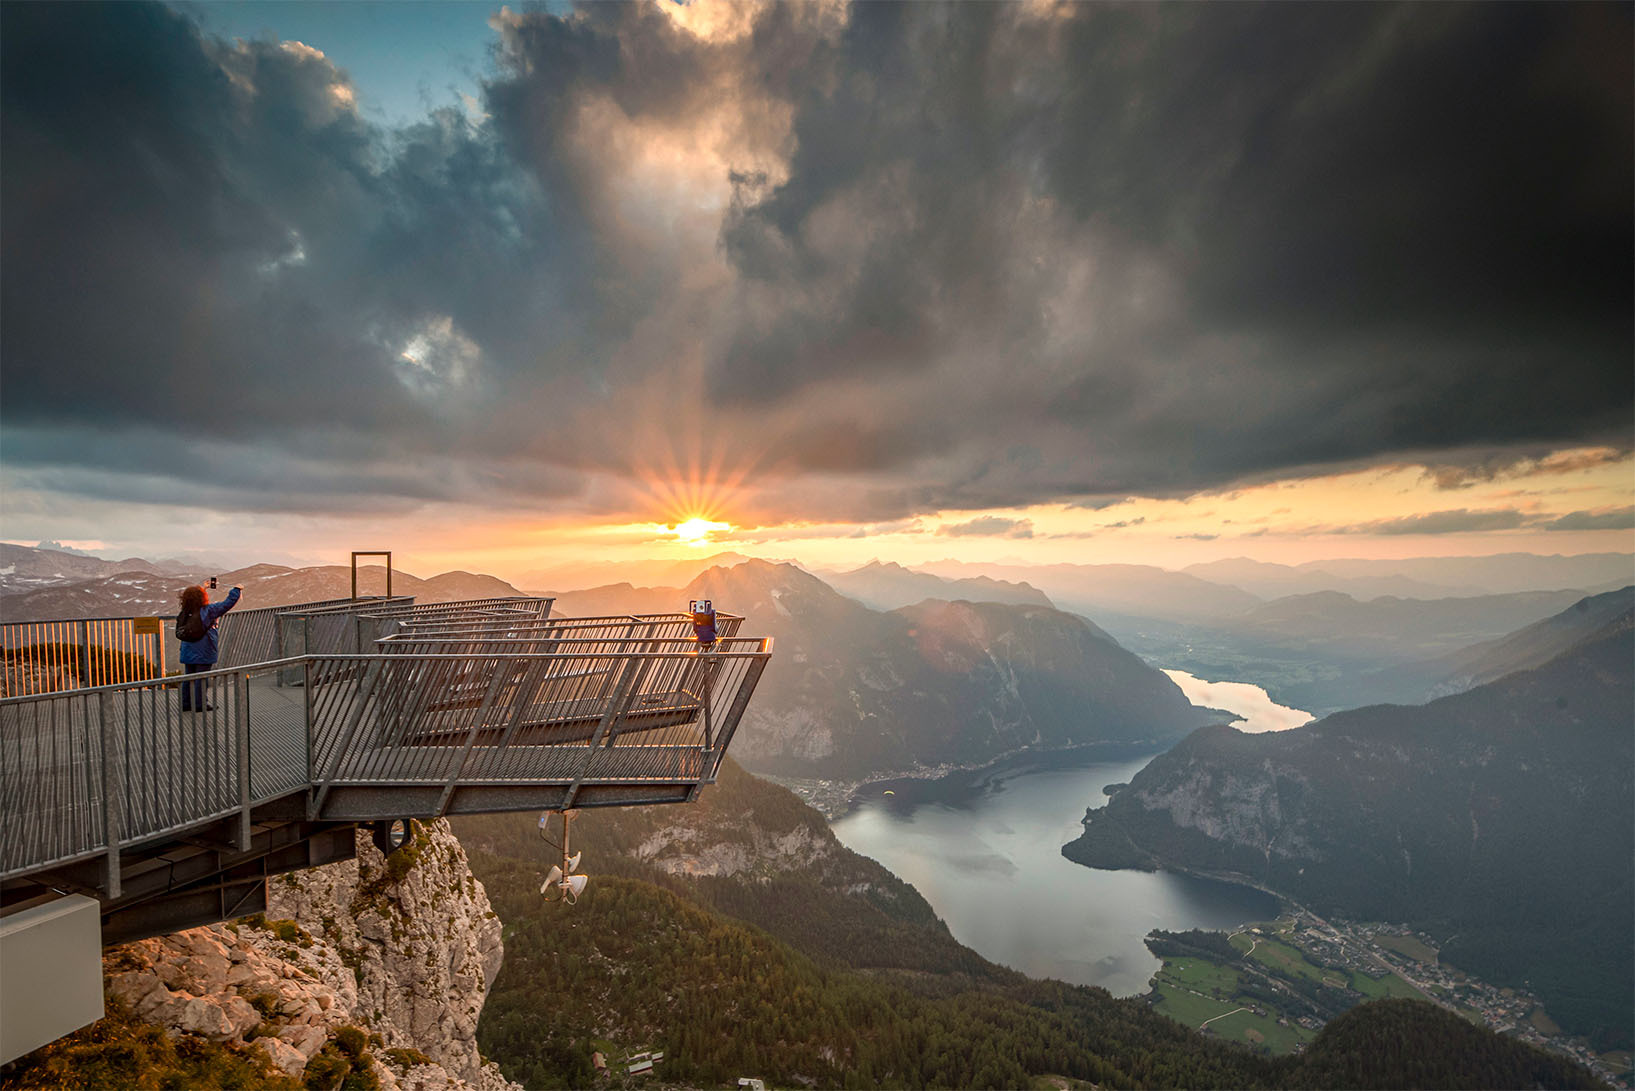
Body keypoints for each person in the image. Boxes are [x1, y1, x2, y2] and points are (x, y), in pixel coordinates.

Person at [178, 582, 242, 711]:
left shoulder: (185, 612)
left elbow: (194, 599)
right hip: (204, 650)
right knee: (201, 678)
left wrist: (203, 588)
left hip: (187, 650)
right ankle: (200, 704)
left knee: (188, 677)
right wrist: (237, 589)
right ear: (202, 598)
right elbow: (227, 603)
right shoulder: (209, 611)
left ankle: (186, 703)